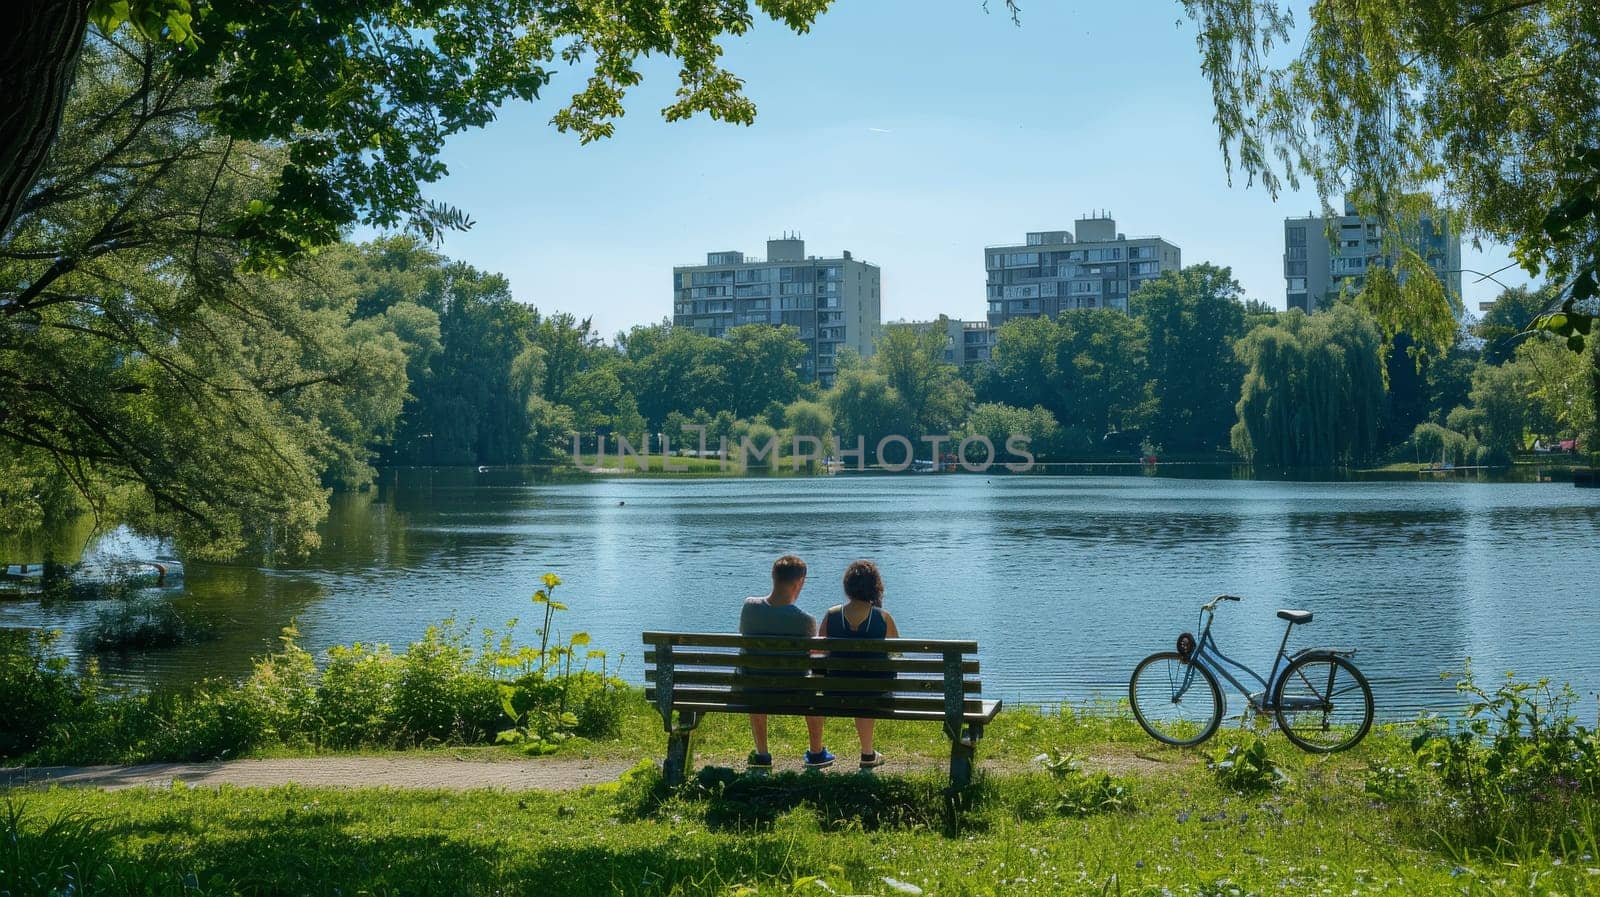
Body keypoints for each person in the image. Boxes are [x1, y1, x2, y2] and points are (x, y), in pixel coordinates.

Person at [738, 554, 833, 769]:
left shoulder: (749, 607)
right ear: (799, 582)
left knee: (754, 681)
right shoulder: (805, 620)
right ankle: (816, 753)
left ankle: (762, 755)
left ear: (773, 577)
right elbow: (814, 654)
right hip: (795, 688)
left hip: (755, 685)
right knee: (815, 687)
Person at [819, 559, 899, 769]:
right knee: (867, 684)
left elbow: (818, 653)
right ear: (875, 587)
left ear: (848, 587)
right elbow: (898, 653)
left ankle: (868, 753)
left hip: (837, 690)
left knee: (858, 683)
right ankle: (867, 753)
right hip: (876, 692)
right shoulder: (883, 617)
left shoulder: (831, 615)